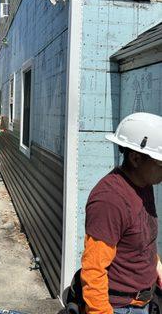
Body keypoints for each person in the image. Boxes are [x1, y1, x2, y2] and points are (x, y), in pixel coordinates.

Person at [81, 112, 162, 314]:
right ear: (135, 158)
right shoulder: (110, 200)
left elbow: (142, 242)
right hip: (119, 307)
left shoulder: (143, 184)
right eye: (161, 164)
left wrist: (157, 269)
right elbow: (93, 269)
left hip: (144, 300)